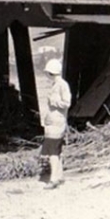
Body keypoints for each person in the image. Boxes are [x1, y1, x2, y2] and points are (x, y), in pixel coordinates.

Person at [41, 58, 71, 189]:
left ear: (50, 73)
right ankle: (59, 176)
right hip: (53, 123)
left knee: (52, 152)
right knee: (56, 151)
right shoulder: (57, 84)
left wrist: (54, 101)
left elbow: (66, 103)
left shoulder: (62, 85)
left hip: (56, 123)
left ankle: (53, 179)